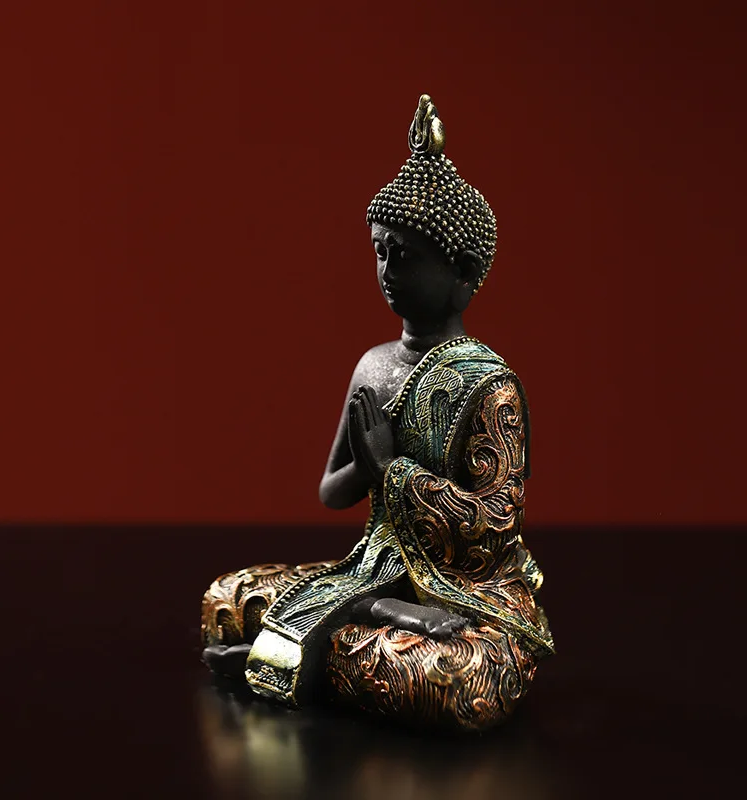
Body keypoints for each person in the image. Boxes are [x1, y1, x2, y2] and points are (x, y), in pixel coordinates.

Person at [201, 95, 554, 731]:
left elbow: (493, 529)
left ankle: (312, 650)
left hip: (468, 595)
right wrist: (368, 469)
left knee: (460, 677)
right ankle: (367, 626)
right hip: (372, 571)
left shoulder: (490, 385)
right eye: (381, 251)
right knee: (230, 596)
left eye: (406, 256)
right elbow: (332, 493)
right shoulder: (373, 365)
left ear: (463, 274)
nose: (388, 269)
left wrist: (393, 469)